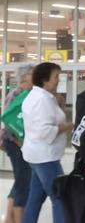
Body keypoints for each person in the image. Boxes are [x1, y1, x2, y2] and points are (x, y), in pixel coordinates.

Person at [21, 63, 74, 223]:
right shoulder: (42, 100)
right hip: (46, 157)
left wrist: (60, 104)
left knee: (35, 197)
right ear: (45, 80)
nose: (59, 80)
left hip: (37, 156)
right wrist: (70, 125)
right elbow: (44, 131)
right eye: (56, 77)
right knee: (60, 197)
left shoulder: (38, 97)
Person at [2, 65, 33, 223]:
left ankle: (9, 219)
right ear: (24, 77)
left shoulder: (29, 94)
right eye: (32, 75)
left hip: (21, 143)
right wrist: (19, 142)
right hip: (15, 143)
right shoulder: (16, 94)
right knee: (23, 181)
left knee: (21, 180)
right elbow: (8, 120)